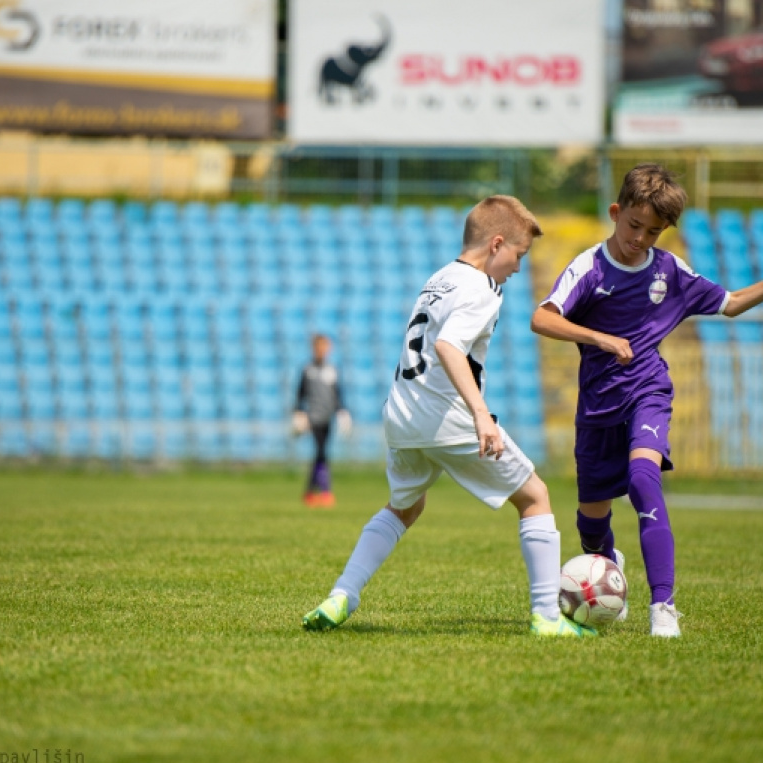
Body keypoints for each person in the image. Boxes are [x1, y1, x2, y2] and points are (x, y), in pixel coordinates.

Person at [302, 195, 597, 637]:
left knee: (404, 506)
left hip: (401, 413)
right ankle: (548, 618)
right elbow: (447, 346)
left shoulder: (439, 278)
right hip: (445, 414)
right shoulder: (481, 288)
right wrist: (481, 415)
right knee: (535, 497)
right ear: (497, 244)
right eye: (518, 255)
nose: (518, 268)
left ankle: (341, 595)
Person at [531, 163, 763, 637]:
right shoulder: (589, 266)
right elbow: (542, 318)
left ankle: (664, 607)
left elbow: (732, 302)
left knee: (643, 479)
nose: (641, 238)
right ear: (617, 213)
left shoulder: (668, 270)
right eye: (634, 225)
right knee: (591, 526)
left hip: (647, 391)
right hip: (597, 407)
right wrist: (601, 338)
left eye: (653, 231)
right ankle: (608, 567)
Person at [292, 333, 352, 507]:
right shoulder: (307, 370)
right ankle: (325, 492)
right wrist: (298, 412)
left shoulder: (331, 370)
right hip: (313, 418)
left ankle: (310, 492)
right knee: (321, 453)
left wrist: (342, 411)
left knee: (321, 454)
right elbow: (300, 393)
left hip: (328, 418)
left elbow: (337, 394)